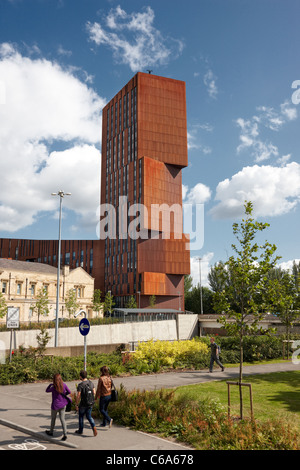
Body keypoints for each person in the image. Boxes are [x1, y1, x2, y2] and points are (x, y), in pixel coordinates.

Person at [45, 373, 71, 441]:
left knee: (53, 419)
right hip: (63, 405)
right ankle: (65, 434)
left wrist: (50, 385)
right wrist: (65, 394)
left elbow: (47, 390)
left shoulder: (53, 387)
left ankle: (51, 432)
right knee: (63, 419)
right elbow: (69, 392)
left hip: (55, 406)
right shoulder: (64, 385)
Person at [75, 370, 97, 436]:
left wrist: (76, 404)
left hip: (83, 403)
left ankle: (80, 430)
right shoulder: (91, 383)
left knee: (81, 416)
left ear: (80, 376)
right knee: (89, 416)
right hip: (90, 402)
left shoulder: (80, 385)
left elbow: (78, 395)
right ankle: (94, 427)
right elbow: (94, 392)